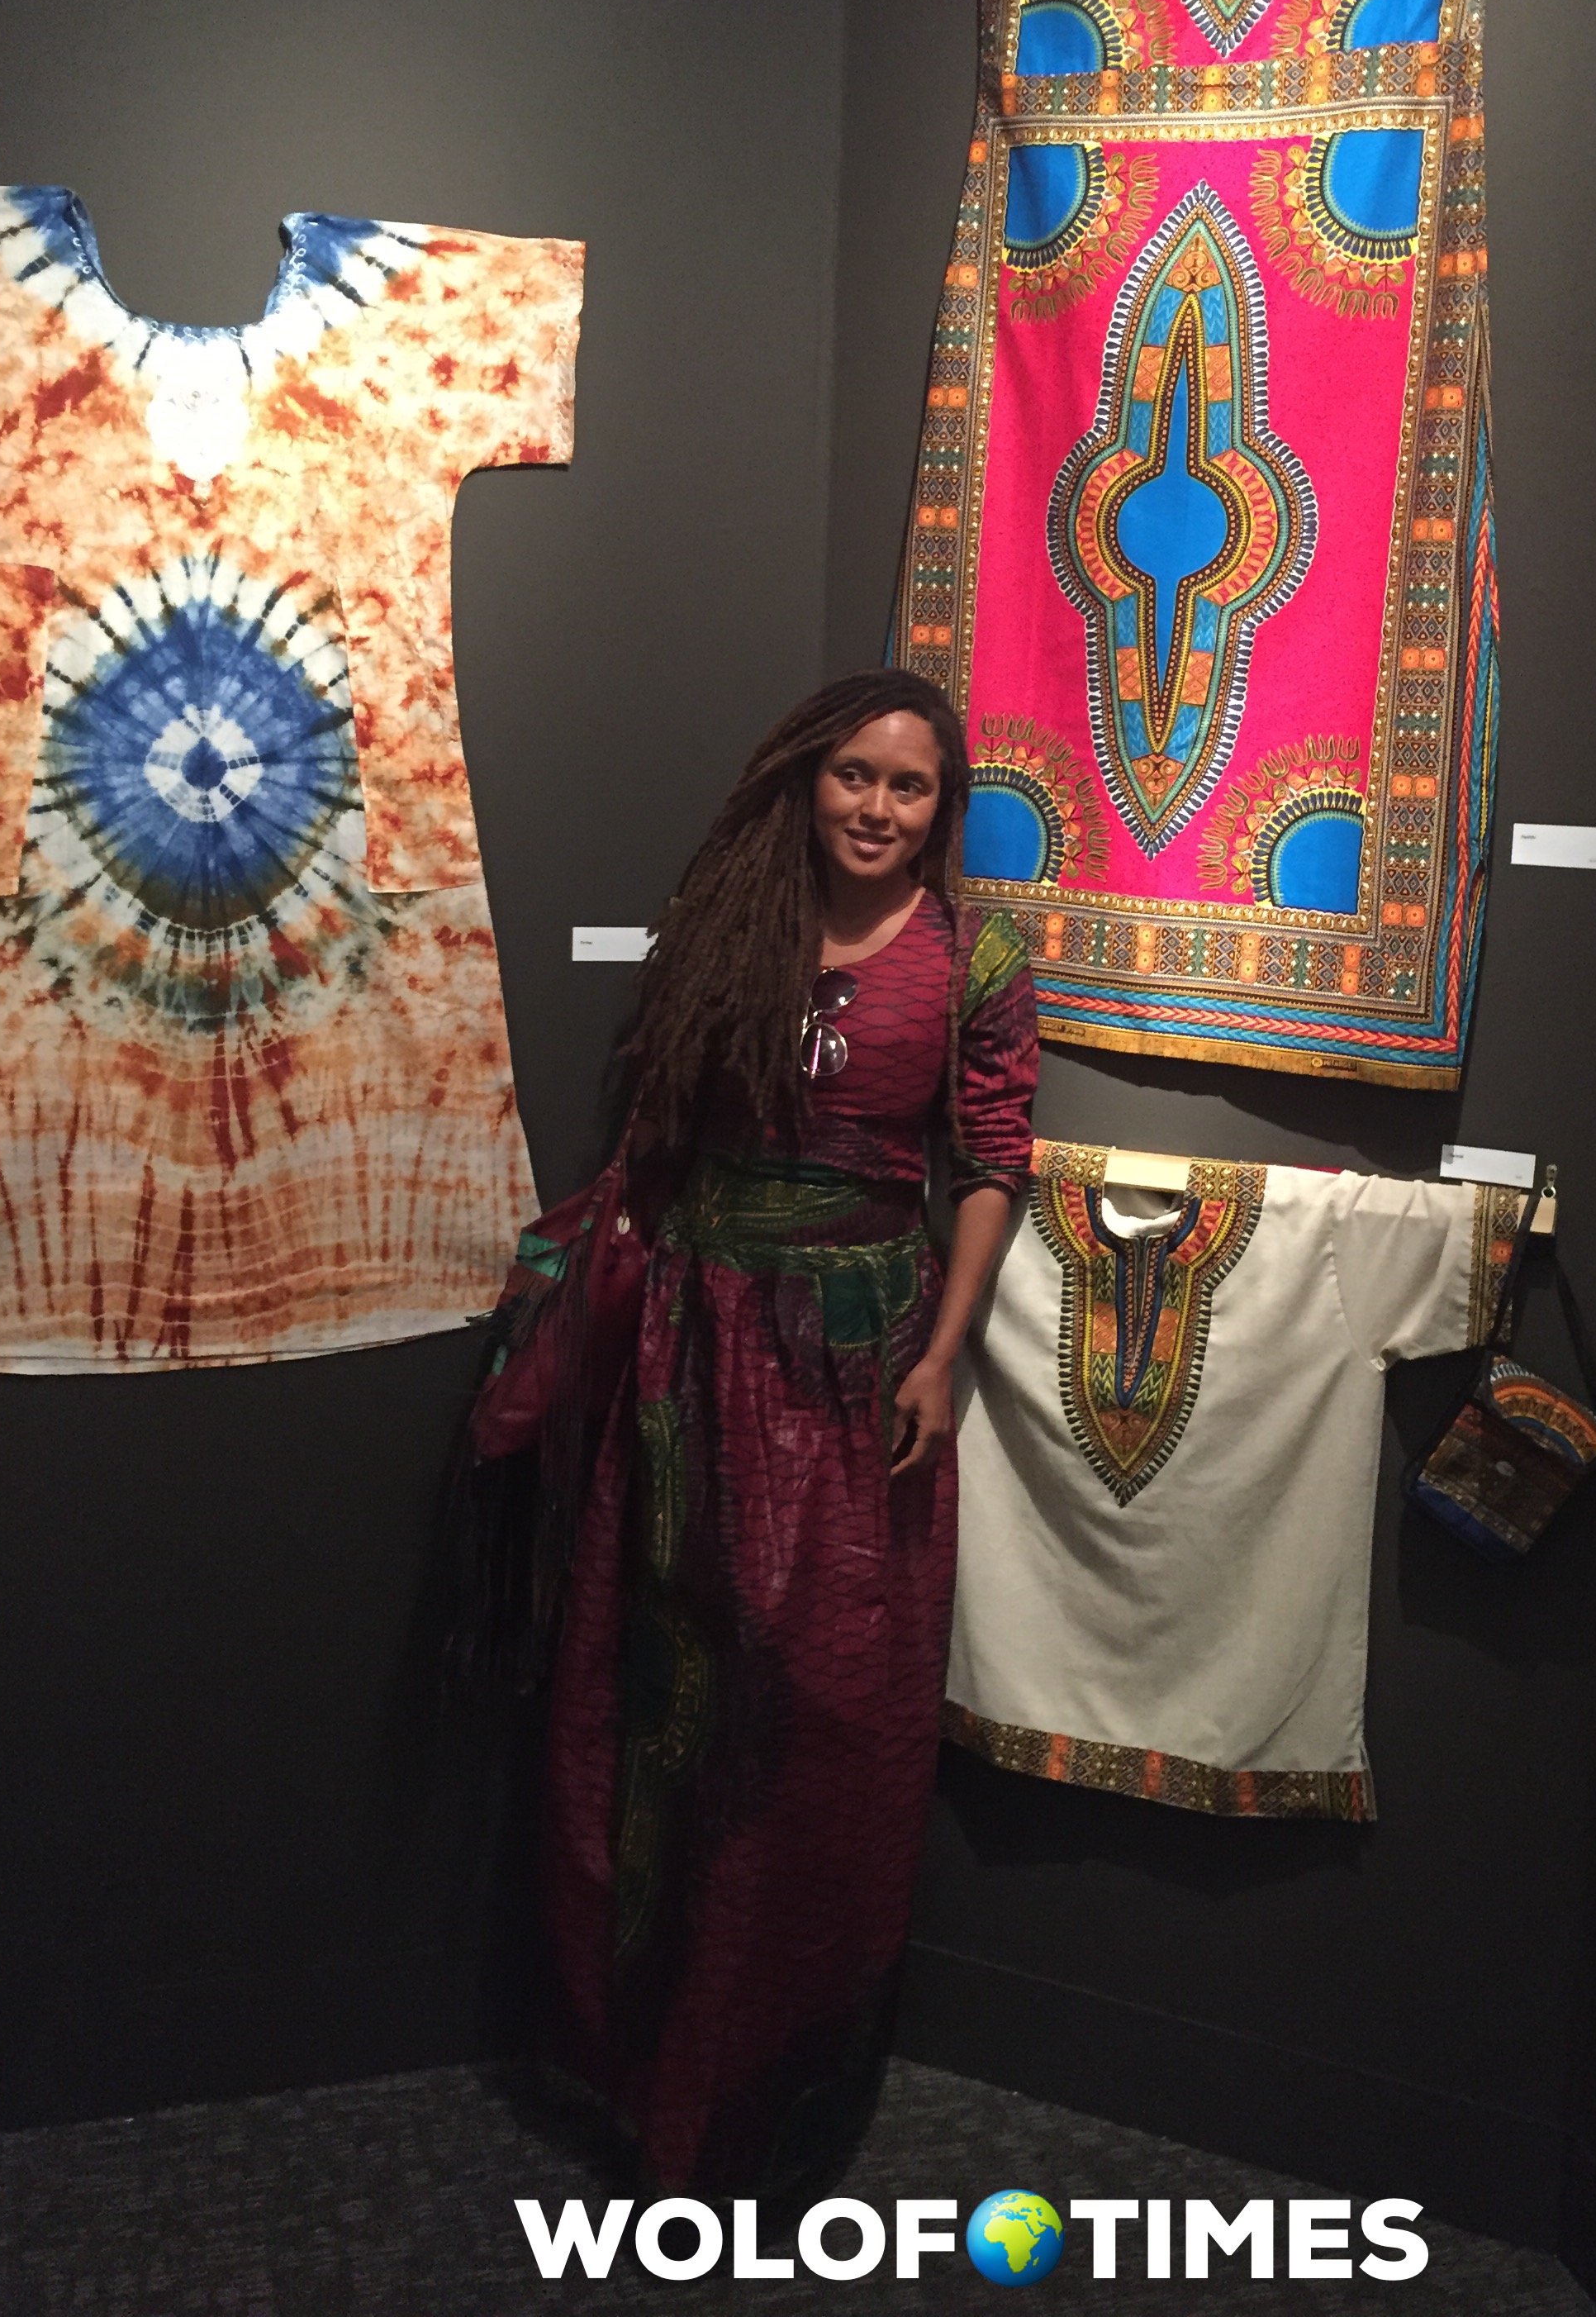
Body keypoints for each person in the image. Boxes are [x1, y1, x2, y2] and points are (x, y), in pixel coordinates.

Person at [463, 670, 1038, 2198]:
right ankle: (635, 2067)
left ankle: (772, 2090)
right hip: (691, 1348)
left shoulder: (974, 961)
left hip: (855, 1362)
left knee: (825, 1712)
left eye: (909, 787)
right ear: (805, 779)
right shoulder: (728, 925)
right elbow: (662, 1133)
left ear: (942, 809)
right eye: (855, 775)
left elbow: (992, 1160)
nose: (876, 808)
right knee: (656, 1686)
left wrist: (946, 1353)